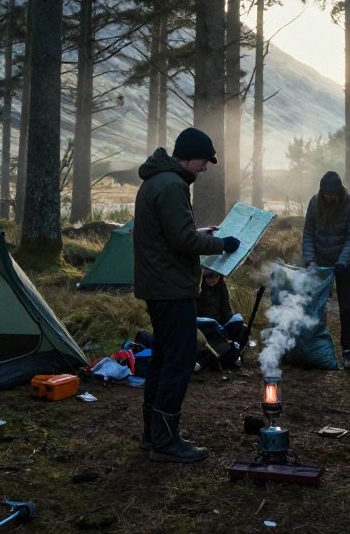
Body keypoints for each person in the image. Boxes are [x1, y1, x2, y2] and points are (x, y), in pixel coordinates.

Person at [133, 127, 241, 463]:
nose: (205, 168)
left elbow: (170, 235)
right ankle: (166, 442)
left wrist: (197, 232)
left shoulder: (158, 181)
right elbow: (182, 242)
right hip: (171, 288)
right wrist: (221, 244)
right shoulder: (172, 185)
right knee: (179, 362)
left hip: (160, 284)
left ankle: (153, 436)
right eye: (204, 161)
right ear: (190, 156)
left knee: (164, 359)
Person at [301, 171, 350, 369]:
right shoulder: (314, 203)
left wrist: (343, 261)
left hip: (346, 264)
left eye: (332, 195)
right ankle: (315, 348)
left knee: (346, 308)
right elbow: (309, 233)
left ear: (339, 191)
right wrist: (310, 261)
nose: (329, 198)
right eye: (325, 195)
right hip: (320, 263)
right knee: (317, 306)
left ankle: (347, 352)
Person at [195, 269, 246, 369]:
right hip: (201, 326)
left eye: (215, 278)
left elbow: (225, 310)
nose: (212, 281)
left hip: (218, 325)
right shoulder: (196, 287)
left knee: (242, 330)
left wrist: (230, 326)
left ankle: (235, 356)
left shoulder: (221, 286)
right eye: (209, 278)